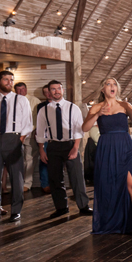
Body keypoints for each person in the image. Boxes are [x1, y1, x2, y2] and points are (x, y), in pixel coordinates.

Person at [82, 78, 132, 239]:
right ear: (102, 89)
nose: (112, 86)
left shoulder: (125, 105)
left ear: (117, 88)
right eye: (108, 84)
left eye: (114, 84)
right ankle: (111, 223)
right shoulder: (96, 107)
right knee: (107, 186)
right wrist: (97, 114)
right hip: (106, 148)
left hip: (125, 147)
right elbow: (85, 127)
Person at [0, 71, 33, 223]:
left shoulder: (21, 100)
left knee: (17, 178)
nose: (9, 82)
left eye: (11, 80)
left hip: (14, 138)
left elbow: (27, 123)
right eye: (6, 80)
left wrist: (20, 140)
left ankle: (16, 211)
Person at [36, 80, 92, 218]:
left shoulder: (73, 108)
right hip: (53, 146)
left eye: (59, 89)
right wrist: (41, 150)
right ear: (49, 92)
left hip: (70, 145)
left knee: (77, 177)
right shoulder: (44, 110)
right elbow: (40, 132)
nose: (56, 91)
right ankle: (61, 208)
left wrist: (75, 148)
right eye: (53, 89)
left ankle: (83, 206)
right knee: (55, 179)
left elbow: (79, 130)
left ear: (63, 90)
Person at [14, 82, 41, 191]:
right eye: (18, 89)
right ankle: (16, 182)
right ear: (15, 90)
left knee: (29, 158)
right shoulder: (13, 100)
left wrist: (36, 131)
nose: (21, 91)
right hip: (16, 133)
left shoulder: (35, 100)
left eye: (23, 89)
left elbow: (39, 118)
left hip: (31, 132)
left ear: (26, 89)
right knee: (16, 159)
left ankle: (27, 183)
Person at [37, 84, 53, 193]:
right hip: (45, 136)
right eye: (46, 92)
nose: (48, 94)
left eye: (49, 91)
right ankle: (45, 184)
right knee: (44, 161)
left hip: (59, 138)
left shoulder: (62, 105)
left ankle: (55, 183)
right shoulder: (41, 106)